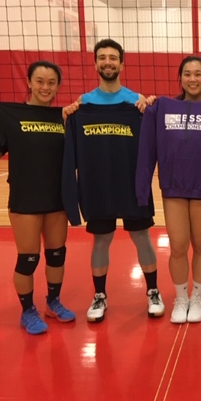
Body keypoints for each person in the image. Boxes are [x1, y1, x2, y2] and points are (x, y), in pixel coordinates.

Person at [62, 38, 163, 323]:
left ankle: (153, 291)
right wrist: (65, 117)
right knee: (101, 240)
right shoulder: (82, 105)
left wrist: (149, 110)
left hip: (132, 182)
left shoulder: (136, 102)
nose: (108, 62)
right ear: (95, 64)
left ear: (121, 64)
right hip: (98, 184)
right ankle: (100, 295)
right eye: (102, 57)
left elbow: (155, 139)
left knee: (142, 237)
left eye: (113, 58)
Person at [136, 56, 201, 324]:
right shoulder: (161, 107)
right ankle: (181, 298)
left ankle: (197, 297)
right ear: (180, 78)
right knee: (178, 246)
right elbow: (147, 147)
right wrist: (142, 188)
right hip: (174, 186)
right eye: (187, 74)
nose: (193, 79)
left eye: (198, 74)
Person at [0, 61, 75, 335]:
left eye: (51, 82)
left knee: (56, 254)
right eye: (40, 81)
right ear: (30, 83)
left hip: (56, 198)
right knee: (28, 258)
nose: (45, 87)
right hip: (25, 198)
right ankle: (27, 311)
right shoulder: (10, 116)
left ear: (58, 86)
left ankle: (53, 302)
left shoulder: (63, 117)